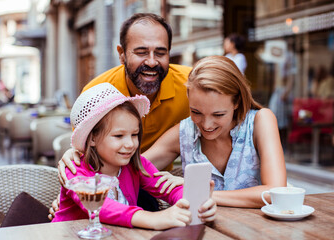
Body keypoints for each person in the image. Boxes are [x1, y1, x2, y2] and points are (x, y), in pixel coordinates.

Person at [51, 12, 191, 219]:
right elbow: (83, 159)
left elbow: (164, 185)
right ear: (122, 54)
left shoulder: (191, 85)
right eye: (141, 52)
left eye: (160, 52)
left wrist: (192, 199)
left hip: (137, 184)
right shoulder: (97, 92)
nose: (152, 62)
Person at [51, 83, 216, 229]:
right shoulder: (75, 168)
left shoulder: (135, 165)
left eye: (134, 134)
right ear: (92, 138)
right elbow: (102, 207)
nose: (130, 144)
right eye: (119, 136)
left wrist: (192, 204)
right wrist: (152, 218)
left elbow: (167, 187)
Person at [144, 56, 287, 208]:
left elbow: (276, 192)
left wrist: (199, 192)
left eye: (218, 115)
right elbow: (130, 170)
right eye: (196, 112)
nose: (206, 125)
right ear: (188, 97)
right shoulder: (184, 132)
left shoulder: (261, 121)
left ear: (237, 102)